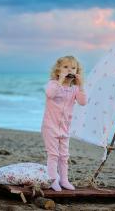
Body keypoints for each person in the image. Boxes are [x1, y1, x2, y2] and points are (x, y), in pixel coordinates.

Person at [41, 55, 87, 191]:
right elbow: (50, 94)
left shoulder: (75, 89)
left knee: (64, 155)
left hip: (65, 128)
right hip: (50, 126)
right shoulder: (52, 84)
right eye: (65, 67)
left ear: (77, 71)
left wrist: (81, 85)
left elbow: (83, 102)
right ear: (58, 70)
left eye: (73, 67)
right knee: (53, 154)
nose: (69, 70)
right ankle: (53, 180)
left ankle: (64, 180)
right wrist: (60, 80)